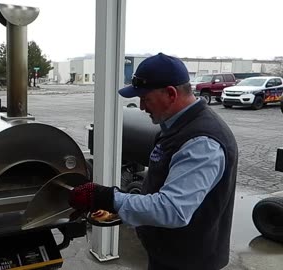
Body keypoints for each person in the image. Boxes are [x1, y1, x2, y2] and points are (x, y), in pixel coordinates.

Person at [69, 53, 238, 270]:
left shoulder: (201, 141)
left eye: (145, 98)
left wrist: (107, 197)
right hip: (167, 254)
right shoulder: (176, 127)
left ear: (170, 93)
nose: (141, 107)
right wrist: (125, 203)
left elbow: (173, 210)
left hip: (188, 262)